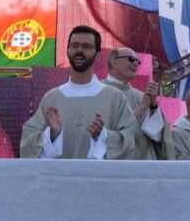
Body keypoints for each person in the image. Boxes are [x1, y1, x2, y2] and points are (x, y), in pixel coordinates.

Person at [20, 25, 137, 159]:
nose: (79, 50)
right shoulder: (52, 98)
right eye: (74, 46)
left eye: (86, 46)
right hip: (60, 172)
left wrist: (103, 136)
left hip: (98, 172)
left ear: (97, 55)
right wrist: (52, 134)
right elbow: (27, 144)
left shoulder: (115, 98)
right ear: (67, 51)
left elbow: (128, 141)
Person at [102, 47, 171, 160]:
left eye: (138, 62)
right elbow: (104, 132)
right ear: (114, 62)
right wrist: (141, 108)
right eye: (131, 59)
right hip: (110, 163)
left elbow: (155, 135)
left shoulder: (141, 96)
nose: (135, 64)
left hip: (139, 161)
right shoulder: (99, 92)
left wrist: (153, 106)